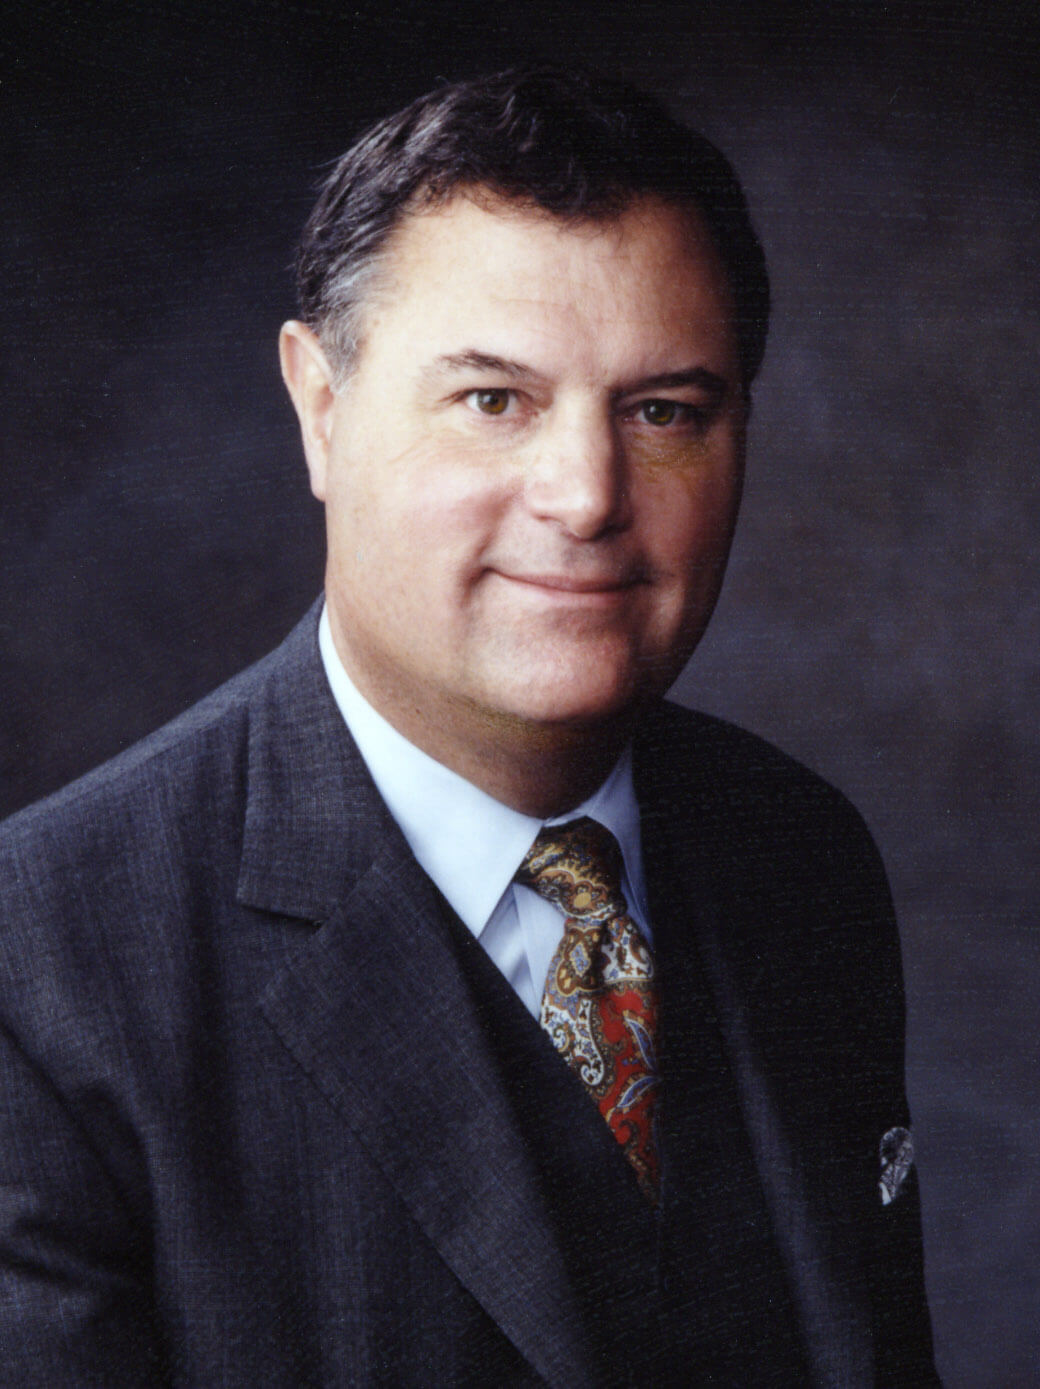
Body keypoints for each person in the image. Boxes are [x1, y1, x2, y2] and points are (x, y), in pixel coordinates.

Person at [0, 68, 937, 1385]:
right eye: (494, 400)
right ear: (322, 409)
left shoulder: (801, 854)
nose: (586, 495)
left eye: (663, 411)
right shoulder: (44, 967)